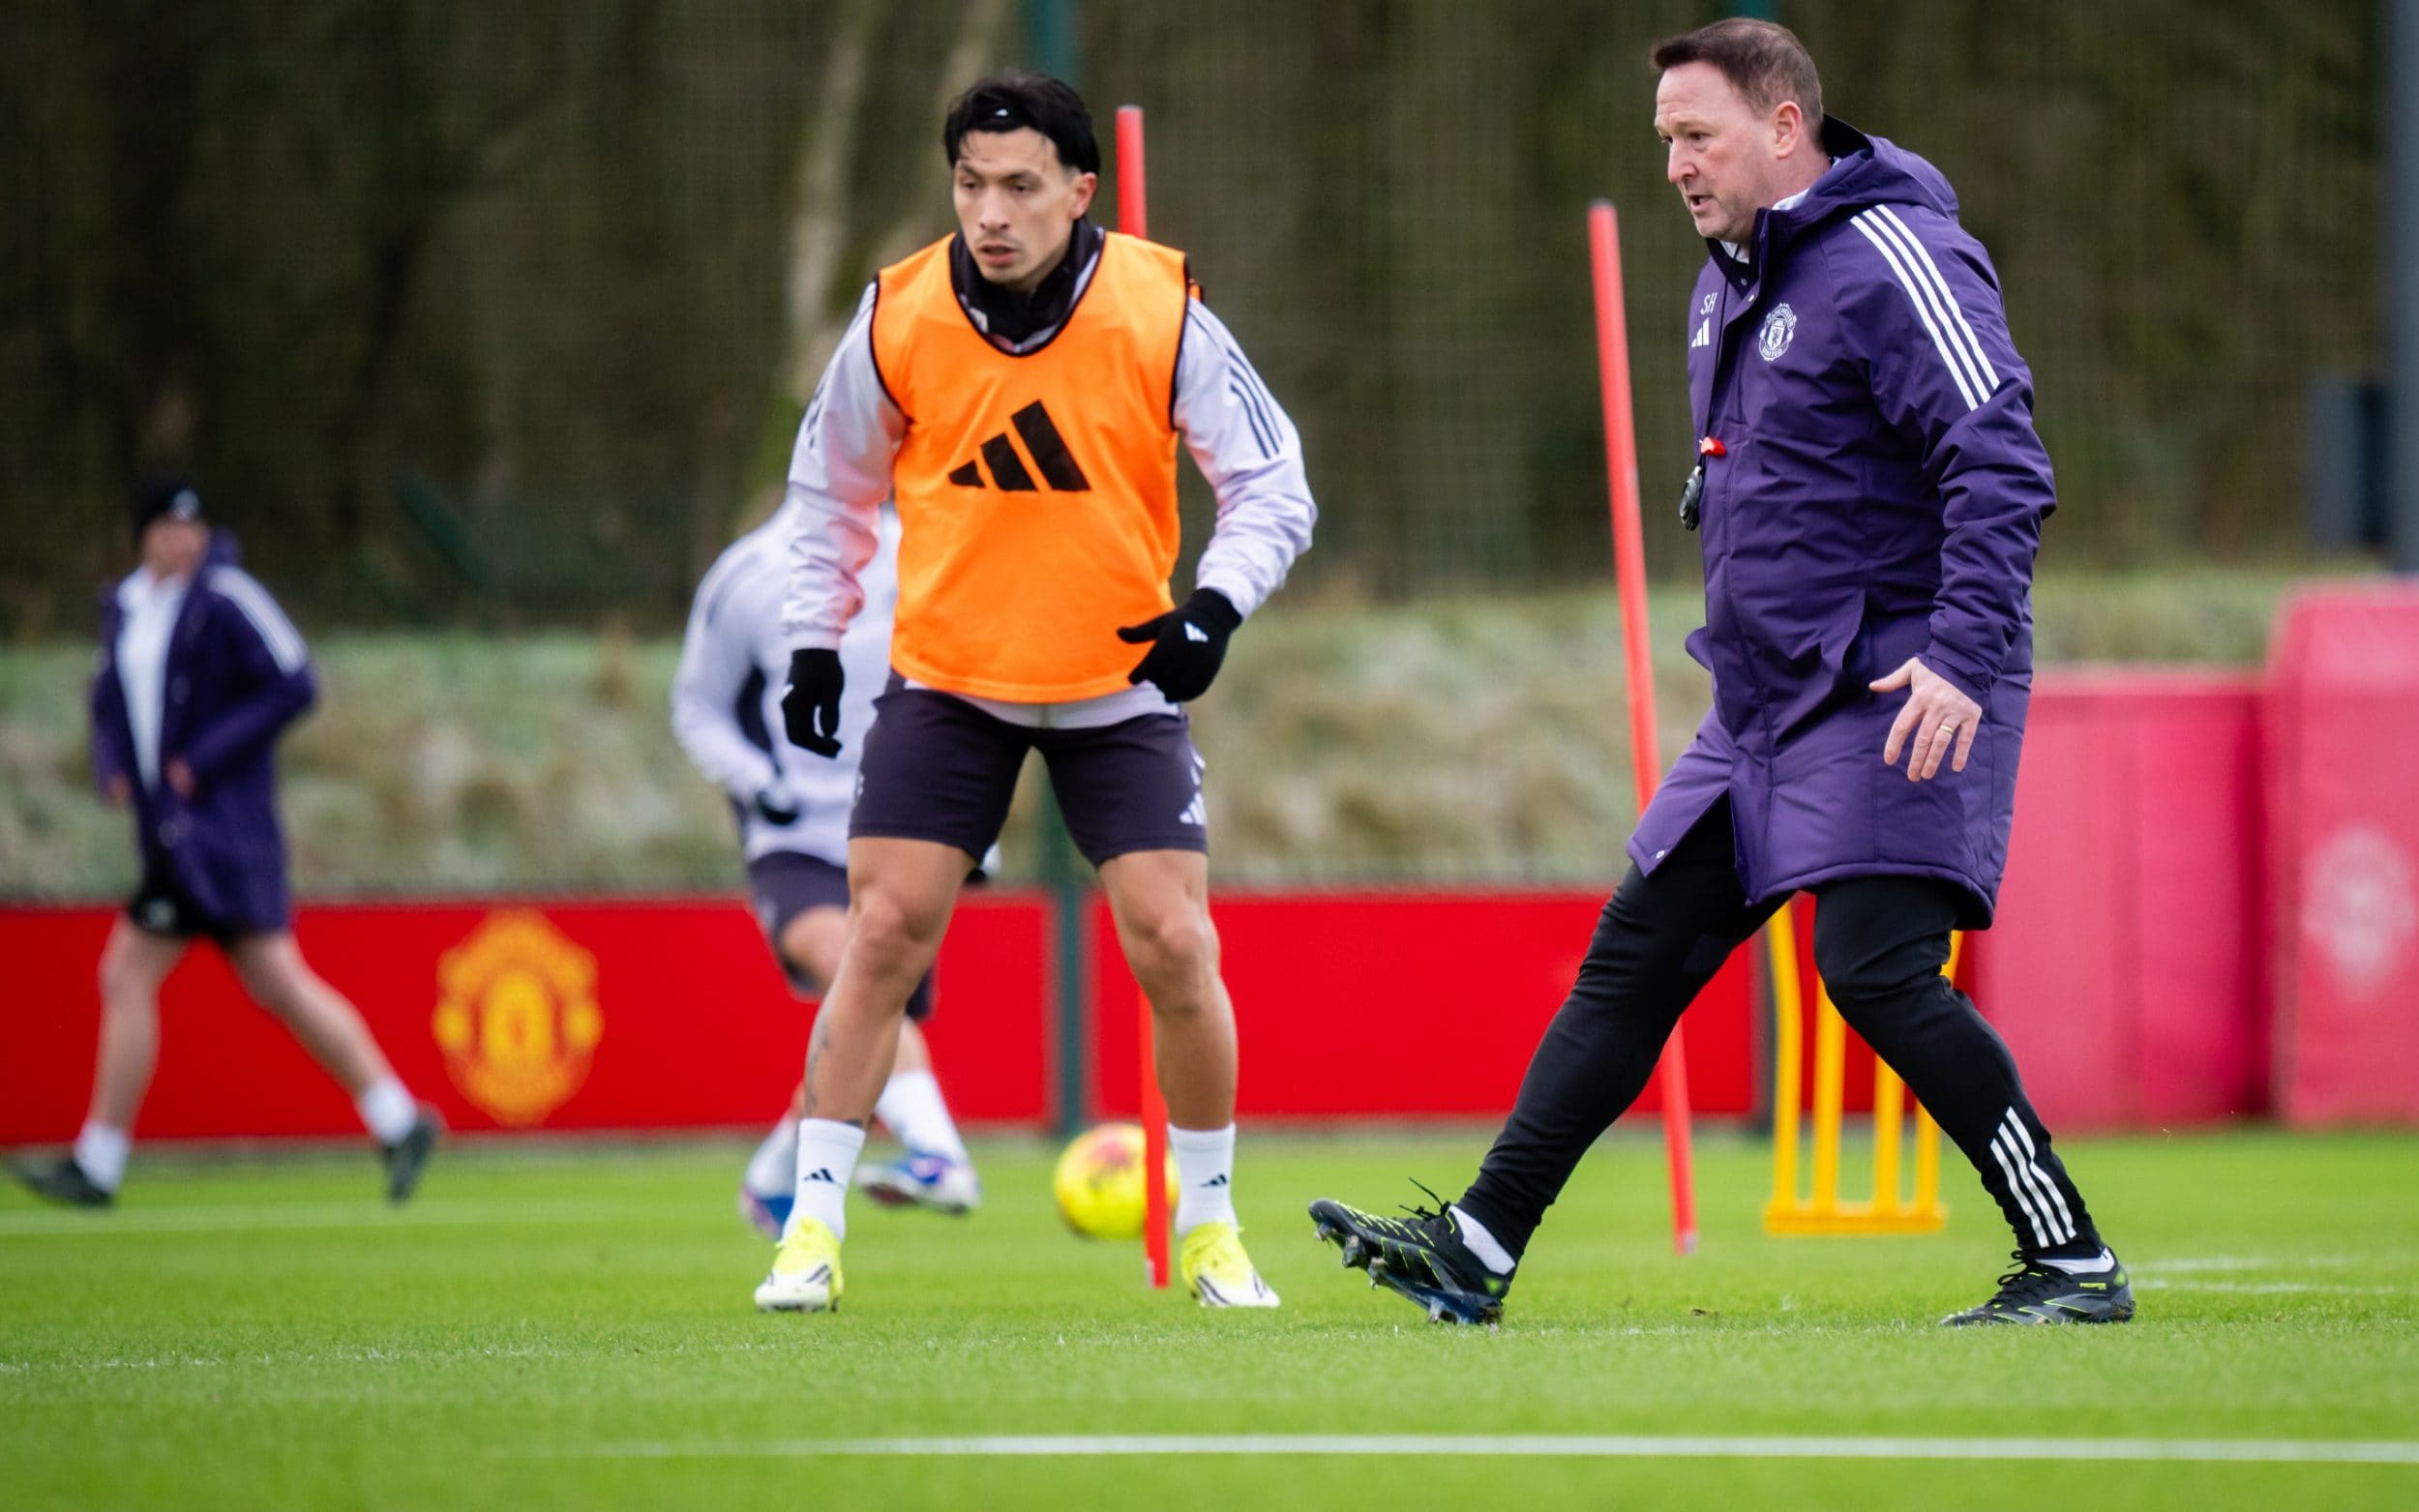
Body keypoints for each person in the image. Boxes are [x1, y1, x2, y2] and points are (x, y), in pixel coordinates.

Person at [1309, 18, 2130, 1328]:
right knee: (1628, 964)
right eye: (1666, 142)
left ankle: (2072, 1256)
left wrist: (1964, 658)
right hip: (1755, 712)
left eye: (1698, 135)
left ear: (1786, 124)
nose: (1677, 164)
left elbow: (2002, 457)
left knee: (1872, 968)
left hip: (1894, 681)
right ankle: (1476, 1244)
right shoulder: (1724, 280)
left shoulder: (1893, 254)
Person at [752, 72, 1315, 1314]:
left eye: (1018, 186)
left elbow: (1276, 485)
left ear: (1079, 188)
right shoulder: (897, 312)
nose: (991, 212)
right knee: (881, 937)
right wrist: (810, 641)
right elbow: (828, 492)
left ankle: (1214, 1227)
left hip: (1116, 677)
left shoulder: (1158, 308)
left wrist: (1211, 610)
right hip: (949, 676)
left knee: (1175, 944)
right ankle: (810, 1228)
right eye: (969, 185)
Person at [13, 480, 438, 1209]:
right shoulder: (127, 608)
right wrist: (113, 767)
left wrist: (201, 758)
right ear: (141, 534)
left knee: (130, 975)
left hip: (223, 835)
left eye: (193, 527)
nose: (183, 540)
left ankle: (100, 1162)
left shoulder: (228, 595)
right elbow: (107, 699)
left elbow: (295, 681)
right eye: (168, 528)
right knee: (274, 980)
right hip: (171, 837)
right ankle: (398, 1120)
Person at [671, 496, 982, 1234]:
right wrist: (757, 782)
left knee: (865, 1030)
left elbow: (967, 689)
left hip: (900, 832)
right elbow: (697, 706)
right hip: (796, 843)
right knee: (862, 979)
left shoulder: (927, 557)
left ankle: (775, 1171)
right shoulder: (747, 573)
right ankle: (940, 1154)